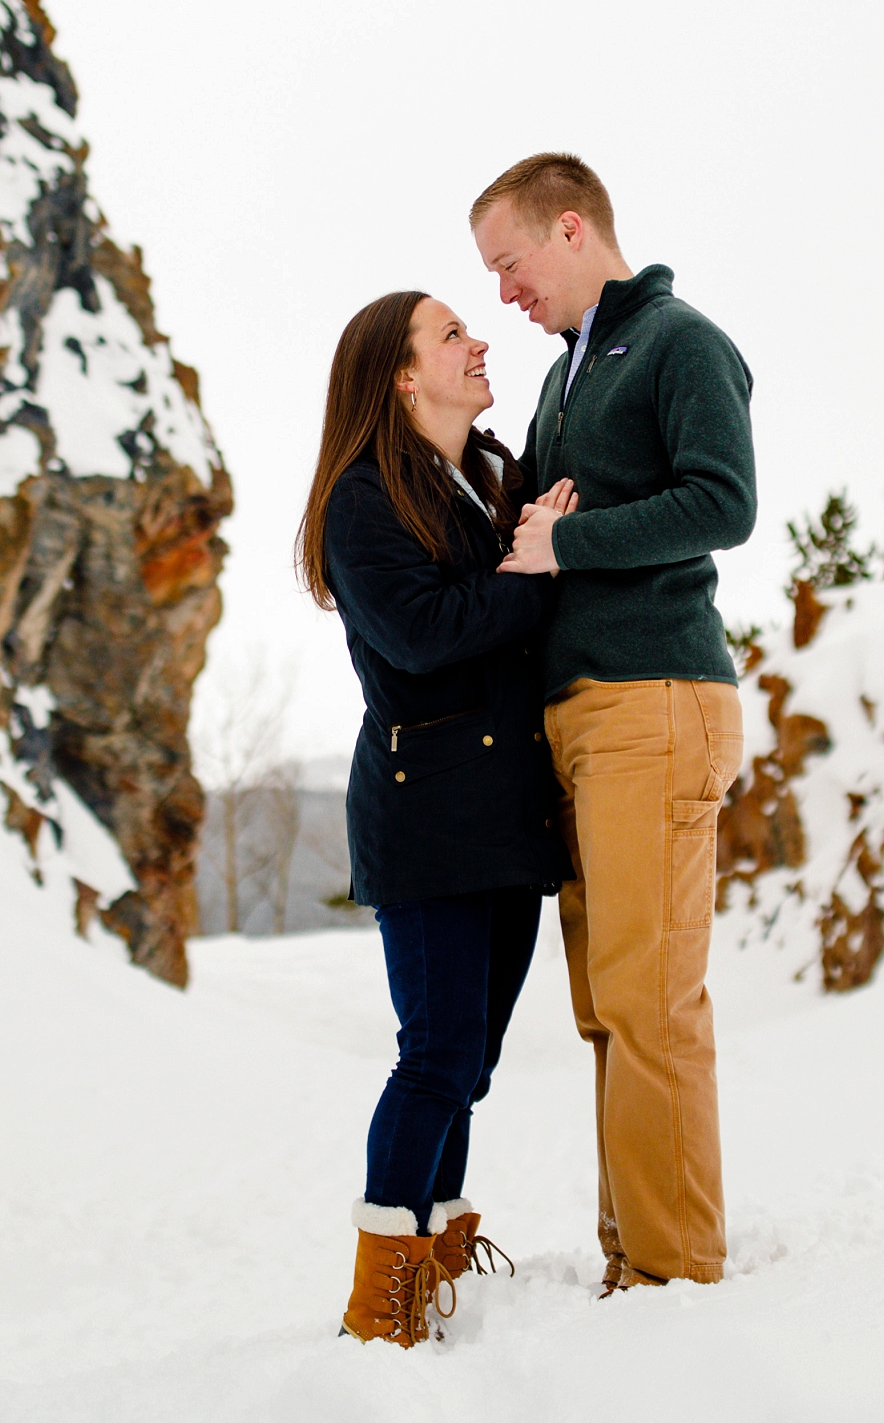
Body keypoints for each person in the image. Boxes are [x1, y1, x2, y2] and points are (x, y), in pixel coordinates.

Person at [472, 153, 754, 1292]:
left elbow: (723, 499)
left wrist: (568, 541)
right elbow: (533, 507)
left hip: (655, 694)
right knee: (606, 1004)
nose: (503, 292)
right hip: (582, 711)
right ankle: (632, 1252)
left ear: (571, 227)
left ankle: (674, 1272)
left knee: (647, 998)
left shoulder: (681, 341)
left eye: (509, 262)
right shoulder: (561, 375)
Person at [299, 289, 577, 1347]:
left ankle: (441, 1251)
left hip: (506, 808)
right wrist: (533, 568)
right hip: (425, 811)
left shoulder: (493, 472)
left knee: (475, 1058)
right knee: (436, 1051)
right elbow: (419, 634)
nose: (478, 342)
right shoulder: (360, 498)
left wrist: (537, 538)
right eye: (452, 332)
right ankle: (382, 1300)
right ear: (402, 374)